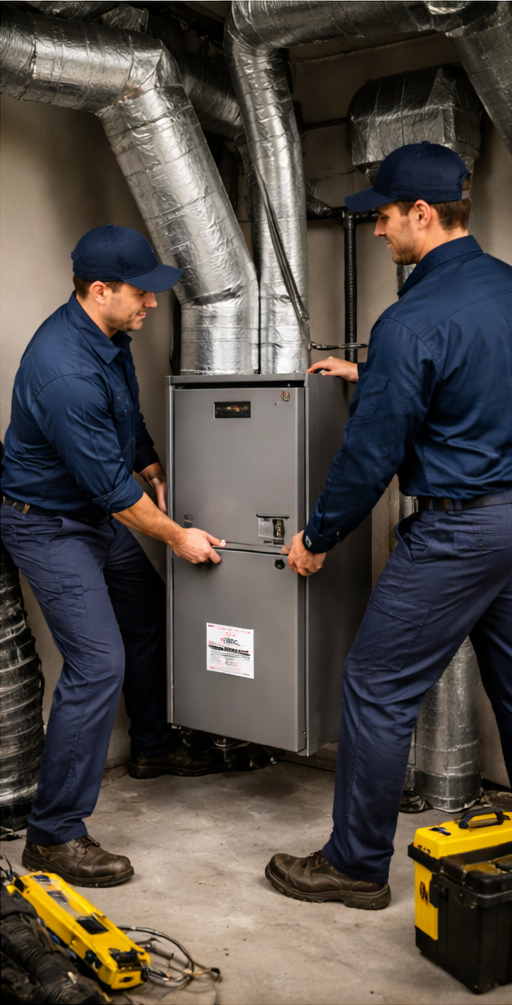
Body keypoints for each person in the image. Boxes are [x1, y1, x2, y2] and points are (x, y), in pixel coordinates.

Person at [264, 142, 512, 910]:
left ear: (422, 214)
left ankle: (356, 864)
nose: (377, 231)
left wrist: (315, 536)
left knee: (374, 686)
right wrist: (372, 374)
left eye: (383, 217)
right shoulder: (503, 289)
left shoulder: (410, 320)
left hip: (457, 531)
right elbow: (476, 380)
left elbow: (370, 454)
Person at [1, 225, 227, 887]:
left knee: (147, 614)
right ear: (100, 290)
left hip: (93, 516)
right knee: (99, 662)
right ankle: (52, 834)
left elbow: (122, 417)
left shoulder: (109, 337)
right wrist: (180, 536)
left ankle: (153, 747)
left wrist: (149, 455)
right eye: (141, 293)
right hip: (48, 525)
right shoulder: (64, 369)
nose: (152, 305)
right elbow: (116, 494)